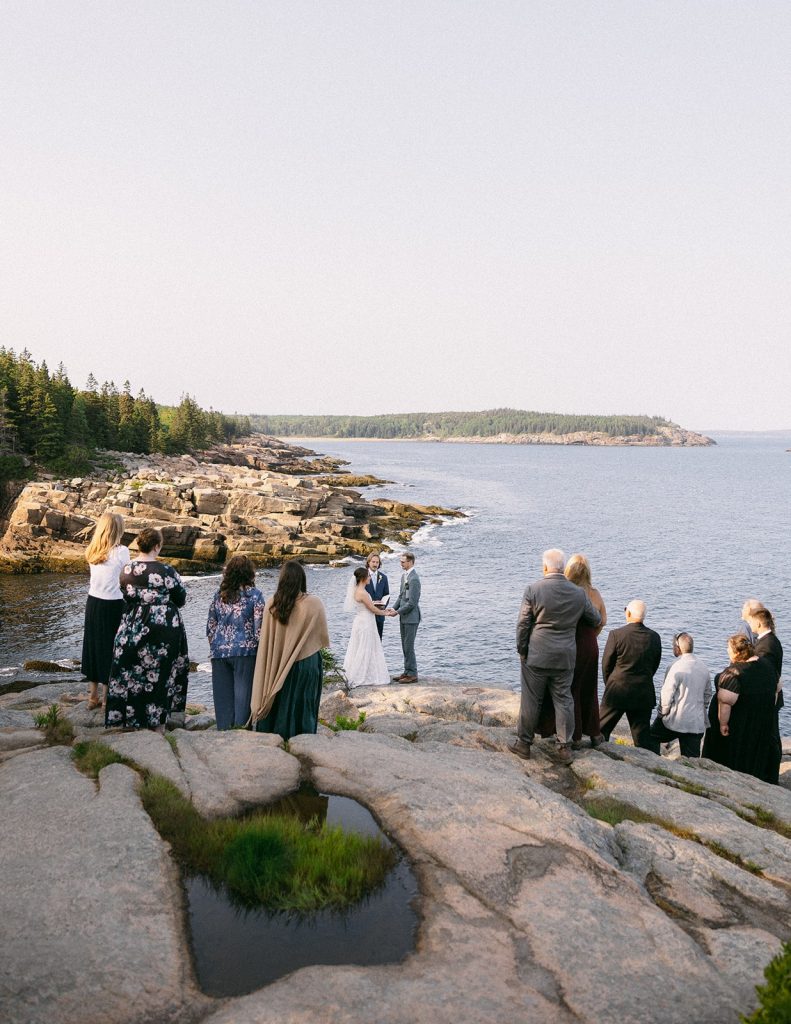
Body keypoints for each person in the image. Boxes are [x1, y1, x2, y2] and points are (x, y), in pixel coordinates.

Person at [510, 548, 601, 765]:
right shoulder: (578, 594)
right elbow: (596, 618)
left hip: (538, 654)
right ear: (562, 568)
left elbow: (523, 624)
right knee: (564, 700)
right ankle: (564, 748)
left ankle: (524, 744)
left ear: (545, 568)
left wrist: (522, 650)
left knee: (531, 700)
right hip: (565, 655)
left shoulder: (533, 589)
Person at [105, 527, 189, 732]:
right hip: (164, 630)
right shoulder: (167, 571)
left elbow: (126, 594)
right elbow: (181, 598)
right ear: (157, 546)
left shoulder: (126, 570)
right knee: (162, 674)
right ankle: (158, 724)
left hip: (133, 625)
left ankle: (132, 720)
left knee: (131, 671)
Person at [250, 561, 329, 740]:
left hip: (278, 663)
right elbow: (320, 636)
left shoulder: (272, 604)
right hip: (307, 662)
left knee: (282, 703)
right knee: (304, 705)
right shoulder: (314, 603)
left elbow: (267, 641)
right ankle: (304, 742)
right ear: (302, 579)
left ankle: (278, 739)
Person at [536, 553, 607, 748]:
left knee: (567, 689)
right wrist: (592, 635)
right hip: (590, 645)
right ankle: (593, 733)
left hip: (569, 644)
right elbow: (603, 620)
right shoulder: (595, 593)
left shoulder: (567, 592)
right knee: (589, 689)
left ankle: (571, 735)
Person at [702, 634, 780, 784]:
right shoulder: (768, 666)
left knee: (734, 753)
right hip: (762, 721)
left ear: (736, 652)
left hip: (739, 724)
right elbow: (777, 689)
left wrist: (723, 724)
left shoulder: (734, 674)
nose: (727, 651)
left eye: (728, 649)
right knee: (755, 752)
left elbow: (725, 703)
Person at [206, 555, 265, 730]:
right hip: (245, 653)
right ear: (249, 573)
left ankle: (224, 734)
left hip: (219, 653)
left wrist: (217, 646)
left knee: (223, 703)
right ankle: (240, 738)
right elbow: (259, 630)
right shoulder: (255, 595)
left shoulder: (219, 595)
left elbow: (210, 626)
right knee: (243, 703)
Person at [81, 512, 130, 711]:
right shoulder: (122, 551)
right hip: (113, 604)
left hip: (93, 602)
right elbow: (127, 578)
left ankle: (92, 697)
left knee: (92, 647)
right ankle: (107, 698)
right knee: (111, 648)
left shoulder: (92, 550)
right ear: (118, 530)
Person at [599, 600, 662, 750]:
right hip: (643, 692)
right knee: (641, 738)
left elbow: (606, 664)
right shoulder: (654, 637)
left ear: (628, 613)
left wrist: (610, 683)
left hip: (617, 690)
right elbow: (655, 664)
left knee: (601, 730)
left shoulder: (616, 635)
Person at [649, 632, 712, 757]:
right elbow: (707, 694)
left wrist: (662, 713)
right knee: (691, 759)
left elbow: (667, 693)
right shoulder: (703, 667)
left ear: (677, 648)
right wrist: (701, 708)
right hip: (695, 723)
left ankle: (654, 763)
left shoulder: (675, 666)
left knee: (651, 737)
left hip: (675, 720)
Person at [343, 566, 390, 687]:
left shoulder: (356, 590)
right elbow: (372, 608)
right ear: (363, 578)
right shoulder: (362, 593)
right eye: (368, 576)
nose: (370, 577)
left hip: (361, 620)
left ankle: (365, 672)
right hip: (366, 622)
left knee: (360, 647)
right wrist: (386, 612)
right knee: (365, 647)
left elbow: (368, 606)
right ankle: (362, 675)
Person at [390, 551, 421, 683]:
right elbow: (401, 596)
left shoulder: (414, 579)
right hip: (403, 617)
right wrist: (393, 608)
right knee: (404, 645)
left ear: (410, 562)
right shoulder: (404, 576)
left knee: (409, 645)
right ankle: (407, 671)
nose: (401, 564)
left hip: (411, 618)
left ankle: (412, 674)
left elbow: (412, 603)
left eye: (403, 562)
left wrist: (398, 612)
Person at [365, 552, 390, 640]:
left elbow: (387, 594)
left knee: (378, 642)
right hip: (367, 615)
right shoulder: (363, 576)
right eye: (373, 562)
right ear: (368, 562)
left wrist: (382, 606)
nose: (375, 564)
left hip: (380, 616)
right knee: (367, 641)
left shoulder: (384, 577)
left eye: (377, 562)